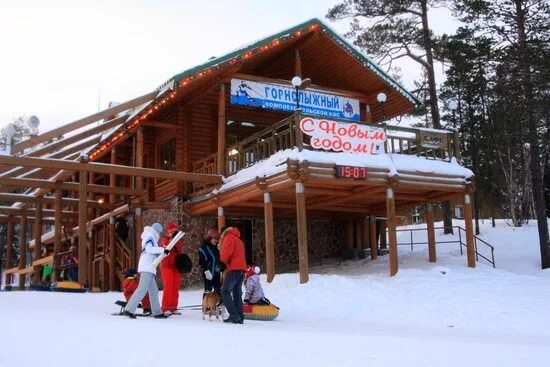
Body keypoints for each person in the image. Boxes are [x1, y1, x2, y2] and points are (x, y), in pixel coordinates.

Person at [124, 223, 170, 319]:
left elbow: (151, 252)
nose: (159, 234)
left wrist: (162, 253)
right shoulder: (150, 236)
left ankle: (157, 312)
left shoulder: (149, 236)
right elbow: (149, 249)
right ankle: (128, 310)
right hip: (147, 267)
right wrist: (163, 250)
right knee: (142, 289)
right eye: (159, 232)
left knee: (154, 291)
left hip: (149, 267)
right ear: (156, 231)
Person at [219, 226, 247, 324]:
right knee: (237, 293)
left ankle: (234, 314)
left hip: (234, 269)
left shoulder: (228, 238)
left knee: (224, 291)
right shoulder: (238, 239)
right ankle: (240, 316)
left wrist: (222, 258)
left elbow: (226, 254)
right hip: (241, 269)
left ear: (223, 233)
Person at [160, 222, 184, 314]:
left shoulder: (179, 240)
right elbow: (167, 247)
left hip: (176, 266)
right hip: (167, 266)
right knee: (168, 287)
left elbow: (179, 248)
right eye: (172, 231)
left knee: (175, 287)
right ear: (169, 232)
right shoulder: (164, 240)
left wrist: (176, 238)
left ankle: (173, 307)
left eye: (175, 231)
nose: (174, 233)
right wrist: (172, 239)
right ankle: (165, 307)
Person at [198, 228, 224, 297]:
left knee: (218, 292)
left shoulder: (216, 249)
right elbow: (202, 261)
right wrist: (206, 270)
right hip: (208, 274)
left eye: (217, 239)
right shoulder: (204, 248)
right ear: (209, 238)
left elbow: (219, 260)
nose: (215, 240)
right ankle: (206, 306)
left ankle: (217, 306)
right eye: (214, 238)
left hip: (216, 274)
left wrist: (221, 267)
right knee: (208, 293)